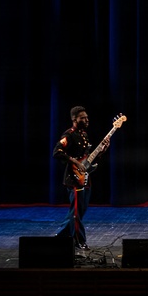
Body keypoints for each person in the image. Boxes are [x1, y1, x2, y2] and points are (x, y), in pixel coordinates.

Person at [53, 105, 108, 250]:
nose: (86, 119)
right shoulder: (69, 135)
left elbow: (87, 160)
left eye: (87, 117)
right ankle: (79, 241)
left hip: (84, 177)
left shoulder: (84, 135)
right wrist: (75, 161)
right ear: (74, 119)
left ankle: (60, 236)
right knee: (76, 213)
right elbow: (57, 152)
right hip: (73, 178)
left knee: (79, 211)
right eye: (82, 118)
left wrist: (102, 150)